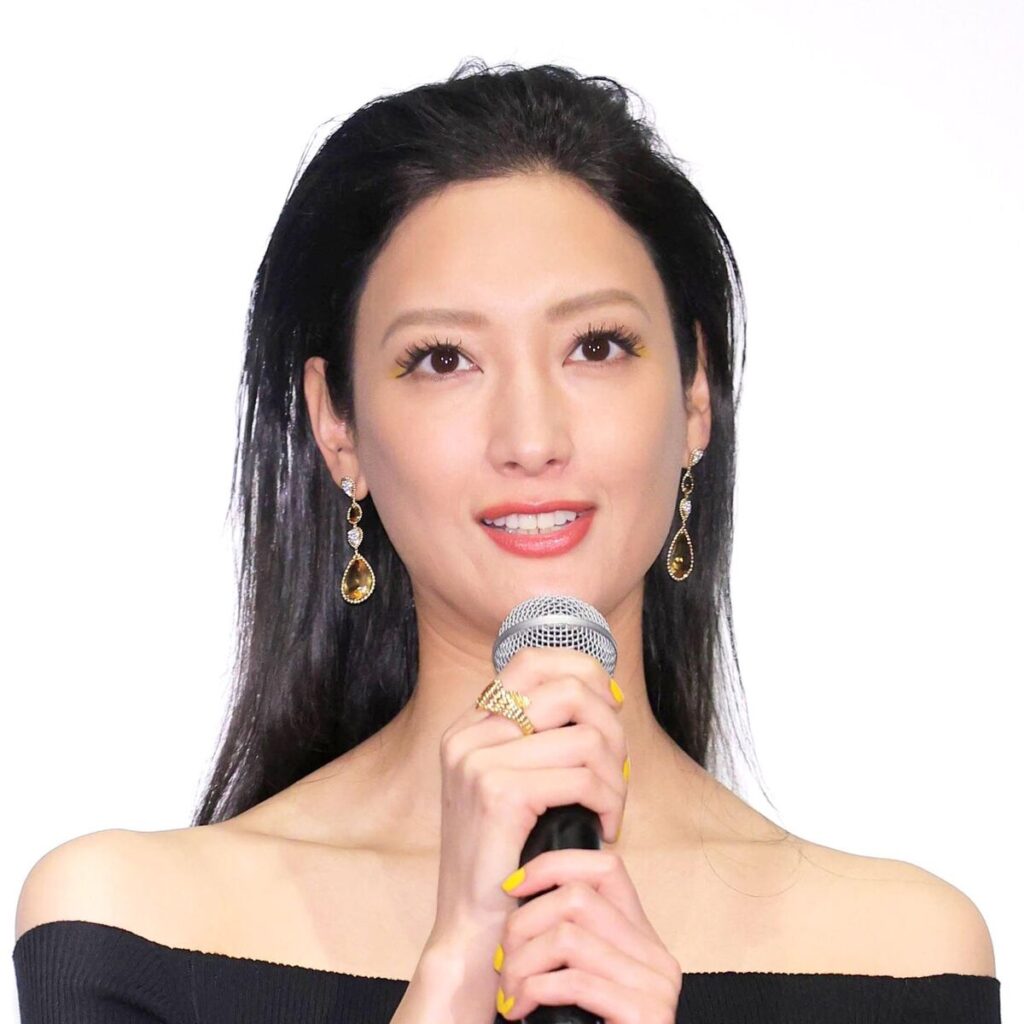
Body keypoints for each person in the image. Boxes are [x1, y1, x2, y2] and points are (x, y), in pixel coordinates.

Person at [12, 59, 1001, 1023]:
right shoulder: (131, 926)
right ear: (337, 425)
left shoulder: (900, 951)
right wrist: (453, 972)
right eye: (443, 359)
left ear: (696, 393)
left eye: (596, 347)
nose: (531, 439)